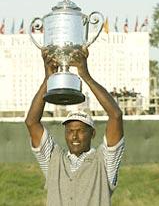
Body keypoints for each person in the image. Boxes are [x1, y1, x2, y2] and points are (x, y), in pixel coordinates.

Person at [25, 47, 125, 206]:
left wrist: (85, 75)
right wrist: (48, 79)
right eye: (70, 131)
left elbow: (115, 116)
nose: (74, 136)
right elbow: (31, 122)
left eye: (80, 131)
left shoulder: (104, 161)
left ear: (92, 133)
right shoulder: (53, 160)